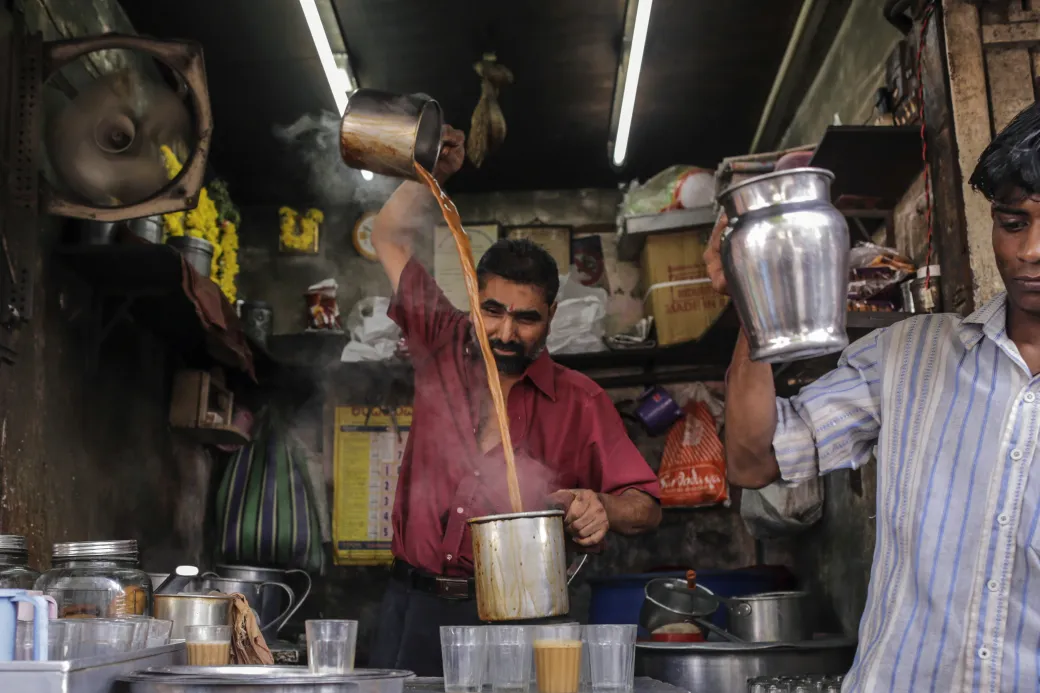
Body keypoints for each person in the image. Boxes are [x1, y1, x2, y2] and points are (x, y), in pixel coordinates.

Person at [705, 101, 1040, 693]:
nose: (1032, 250)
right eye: (1013, 223)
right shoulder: (912, 357)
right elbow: (752, 460)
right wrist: (753, 288)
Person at [368, 125, 662, 675]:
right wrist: (431, 174)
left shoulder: (581, 401)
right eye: (493, 311)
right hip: (412, 607)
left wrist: (603, 506)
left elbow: (644, 505)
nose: (505, 333)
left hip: (518, 621)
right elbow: (388, 236)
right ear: (473, 303)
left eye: (526, 318)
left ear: (551, 315)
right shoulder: (440, 340)